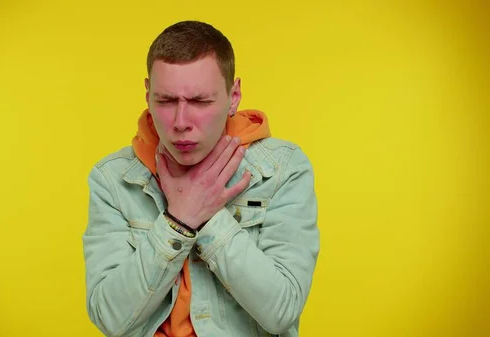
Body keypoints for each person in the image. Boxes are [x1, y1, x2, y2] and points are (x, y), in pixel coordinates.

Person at [82, 20, 320, 337]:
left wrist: (205, 213)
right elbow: (109, 316)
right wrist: (178, 220)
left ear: (233, 96)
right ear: (148, 95)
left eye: (200, 102)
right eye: (166, 101)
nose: (181, 122)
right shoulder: (111, 178)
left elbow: (281, 310)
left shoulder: (282, 169)